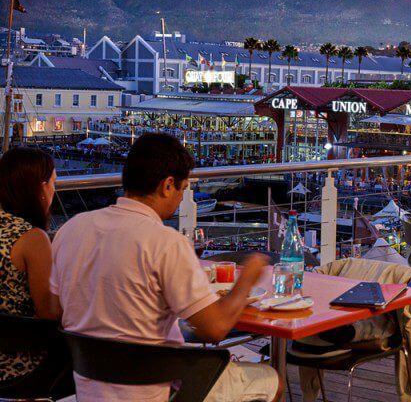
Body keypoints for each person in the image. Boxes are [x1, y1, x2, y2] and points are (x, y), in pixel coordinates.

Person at [49, 133, 282, 402]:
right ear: (168, 185)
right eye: (183, 189)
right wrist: (247, 279)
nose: (182, 197)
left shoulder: (71, 229)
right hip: (158, 390)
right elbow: (214, 329)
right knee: (271, 380)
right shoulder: (165, 243)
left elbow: (56, 310)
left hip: (89, 389)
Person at [0, 147, 58, 381]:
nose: (55, 190)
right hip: (18, 366)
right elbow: (49, 312)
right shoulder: (31, 238)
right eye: (53, 182)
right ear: (40, 188)